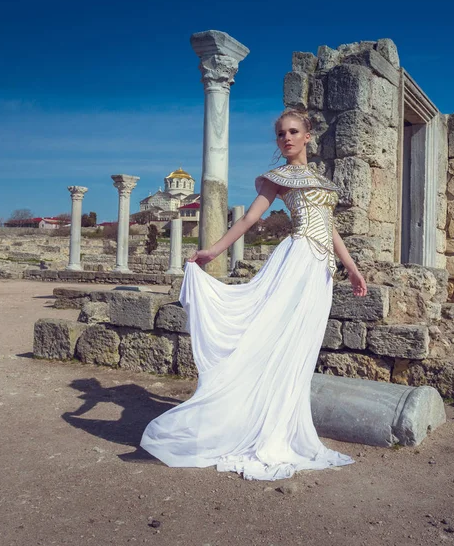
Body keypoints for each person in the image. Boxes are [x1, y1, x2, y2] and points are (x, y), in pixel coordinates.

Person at [140, 109, 368, 481]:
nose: (287, 139)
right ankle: (262, 430)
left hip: (321, 271)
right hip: (296, 263)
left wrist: (352, 268)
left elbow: (330, 228)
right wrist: (212, 251)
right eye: (281, 134)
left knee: (300, 349)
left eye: (294, 132)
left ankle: (281, 425)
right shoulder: (278, 178)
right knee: (272, 340)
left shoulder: (321, 181)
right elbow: (248, 220)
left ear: (308, 135)